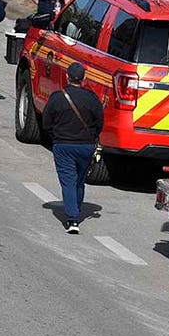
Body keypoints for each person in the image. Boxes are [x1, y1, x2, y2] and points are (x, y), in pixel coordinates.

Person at [42, 62, 104, 234]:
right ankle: (76, 208)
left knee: (68, 181)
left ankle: (72, 218)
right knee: (79, 180)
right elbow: (99, 123)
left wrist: (55, 137)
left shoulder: (57, 97)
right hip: (86, 146)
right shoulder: (92, 99)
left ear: (67, 77)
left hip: (63, 145)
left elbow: (46, 123)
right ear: (84, 79)